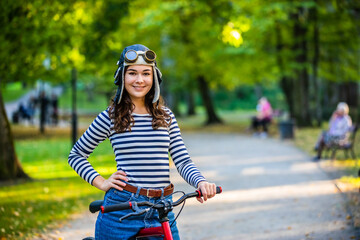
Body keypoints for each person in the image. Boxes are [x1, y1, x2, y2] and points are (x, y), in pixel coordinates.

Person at [68, 44, 217, 240]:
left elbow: (182, 161)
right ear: (122, 77)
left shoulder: (166, 116)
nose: (139, 80)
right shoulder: (109, 117)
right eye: (132, 73)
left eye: (146, 73)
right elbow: (76, 155)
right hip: (122, 208)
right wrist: (102, 182)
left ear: (154, 78)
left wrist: (201, 182)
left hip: (162, 208)